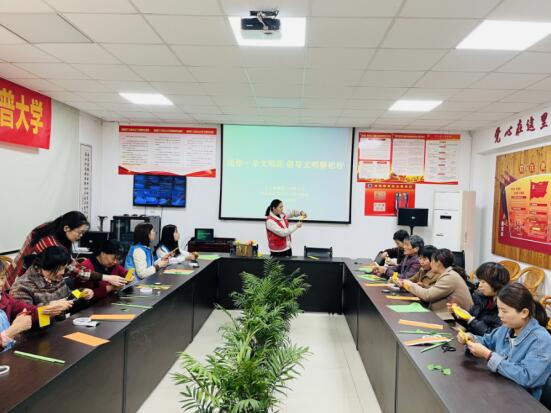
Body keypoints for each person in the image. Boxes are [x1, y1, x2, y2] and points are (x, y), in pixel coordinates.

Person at [457, 283, 551, 400]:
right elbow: (487, 341)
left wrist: (488, 355)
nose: (499, 315)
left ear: (524, 313)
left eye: (504, 311)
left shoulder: (541, 340)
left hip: (522, 400)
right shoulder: (506, 328)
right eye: (499, 309)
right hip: (499, 388)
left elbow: (527, 377)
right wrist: (471, 339)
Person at [6, 211, 127, 290]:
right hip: (22, 282)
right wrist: (107, 278)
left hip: (22, 276)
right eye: (79, 233)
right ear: (66, 228)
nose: (80, 237)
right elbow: (73, 269)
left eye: (83, 233)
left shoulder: (49, 229)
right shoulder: (50, 244)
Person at [10, 247, 91, 314]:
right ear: (47, 266)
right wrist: (50, 306)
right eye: (59, 269)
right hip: (41, 328)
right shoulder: (22, 286)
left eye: (64, 268)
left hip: (61, 323)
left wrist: (82, 292)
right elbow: (25, 314)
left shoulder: (55, 277)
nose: (63, 272)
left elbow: (68, 297)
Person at [398, 248, 473, 316]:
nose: (431, 264)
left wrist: (411, 285)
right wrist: (425, 287)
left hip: (454, 319)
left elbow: (427, 296)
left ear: (438, 263)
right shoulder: (448, 274)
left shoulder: (449, 277)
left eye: (432, 261)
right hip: (446, 314)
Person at [448, 262, 509, 335]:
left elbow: (492, 336)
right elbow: (469, 325)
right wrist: (457, 314)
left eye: (483, 282)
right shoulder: (481, 298)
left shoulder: (504, 307)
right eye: (479, 281)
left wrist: (471, 319)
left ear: (495, 283)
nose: (480, 285)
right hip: (471, 338)